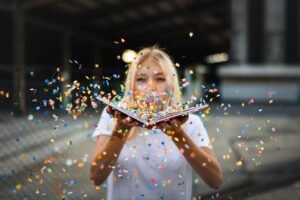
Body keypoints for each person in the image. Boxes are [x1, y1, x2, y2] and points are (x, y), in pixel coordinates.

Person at [90, 46, 223, 200]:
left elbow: (215, 181)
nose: (150, 87)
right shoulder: (112, 118)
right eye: (141, 79)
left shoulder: (190, 122)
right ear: (131, 86)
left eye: (160, 79)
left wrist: (178, 135)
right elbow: (96, 177)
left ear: (171, 84)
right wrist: (121, 129)